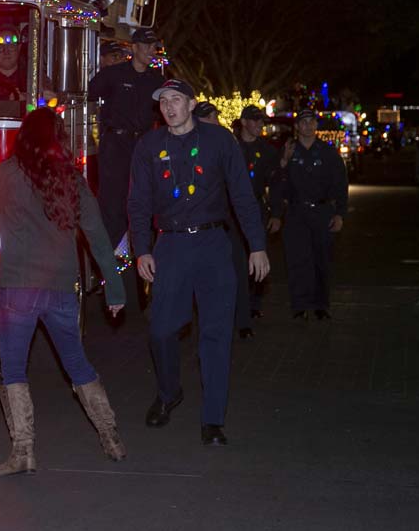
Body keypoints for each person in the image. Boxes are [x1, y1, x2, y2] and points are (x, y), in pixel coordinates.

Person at [0, 108, 128, 476]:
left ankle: (23, 452)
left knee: (13, 369)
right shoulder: (72, 179)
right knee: (77, 363)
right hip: (60, 288)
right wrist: (114, 288)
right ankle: (112, 439)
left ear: (24, 138)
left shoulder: (8, 175)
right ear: (60, 139)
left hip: (19, 289)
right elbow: (99, 238)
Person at [127, 79, 269, 446]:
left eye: (176, 100)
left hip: (213, 244)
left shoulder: (220, 141)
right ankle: (169, 391)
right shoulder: (149, 145)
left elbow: (242, 194)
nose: (169, 107)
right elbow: (139, 202)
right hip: (170, 245)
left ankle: (213, 419)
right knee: (160, 329)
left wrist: (257, 245)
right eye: (164, 102)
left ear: (191, 104)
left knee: (215, 333)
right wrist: (142, 248)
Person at [88, 28, 165, 264]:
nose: (152, 51)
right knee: (113, 200)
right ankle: (110, 259)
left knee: (143, 196)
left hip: (143, 144)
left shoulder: (157, 80)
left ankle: (143, 253)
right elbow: (89, 93)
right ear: (135, 47)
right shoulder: (114, 74)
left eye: (154, 46)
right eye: (147, 45)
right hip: (115, 145)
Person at [279, 108, 347, 320]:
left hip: (322, 211)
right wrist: (283, 162)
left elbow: (340, 185)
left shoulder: (328, 153)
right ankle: (299, 305)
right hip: (296, 212)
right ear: (297, 127)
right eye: (303, 122)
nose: (308, 126)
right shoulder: (289, 151)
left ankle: (321, 304)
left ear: (316, 126)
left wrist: (340, 214)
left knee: (322, 260)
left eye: (311, 122)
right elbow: (279, 184)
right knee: (297, 260)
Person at [232, 106, 283, 338]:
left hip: (256, 211)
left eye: (262, 121)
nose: (260, 125)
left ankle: (253, 303)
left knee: (258, 261)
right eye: (255, 121)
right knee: (238, 265)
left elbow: (275, 183)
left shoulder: (267, 150)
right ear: (244, 122)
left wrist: (276, 214)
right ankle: (242, 317)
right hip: (232, 215)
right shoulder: (232, 147)